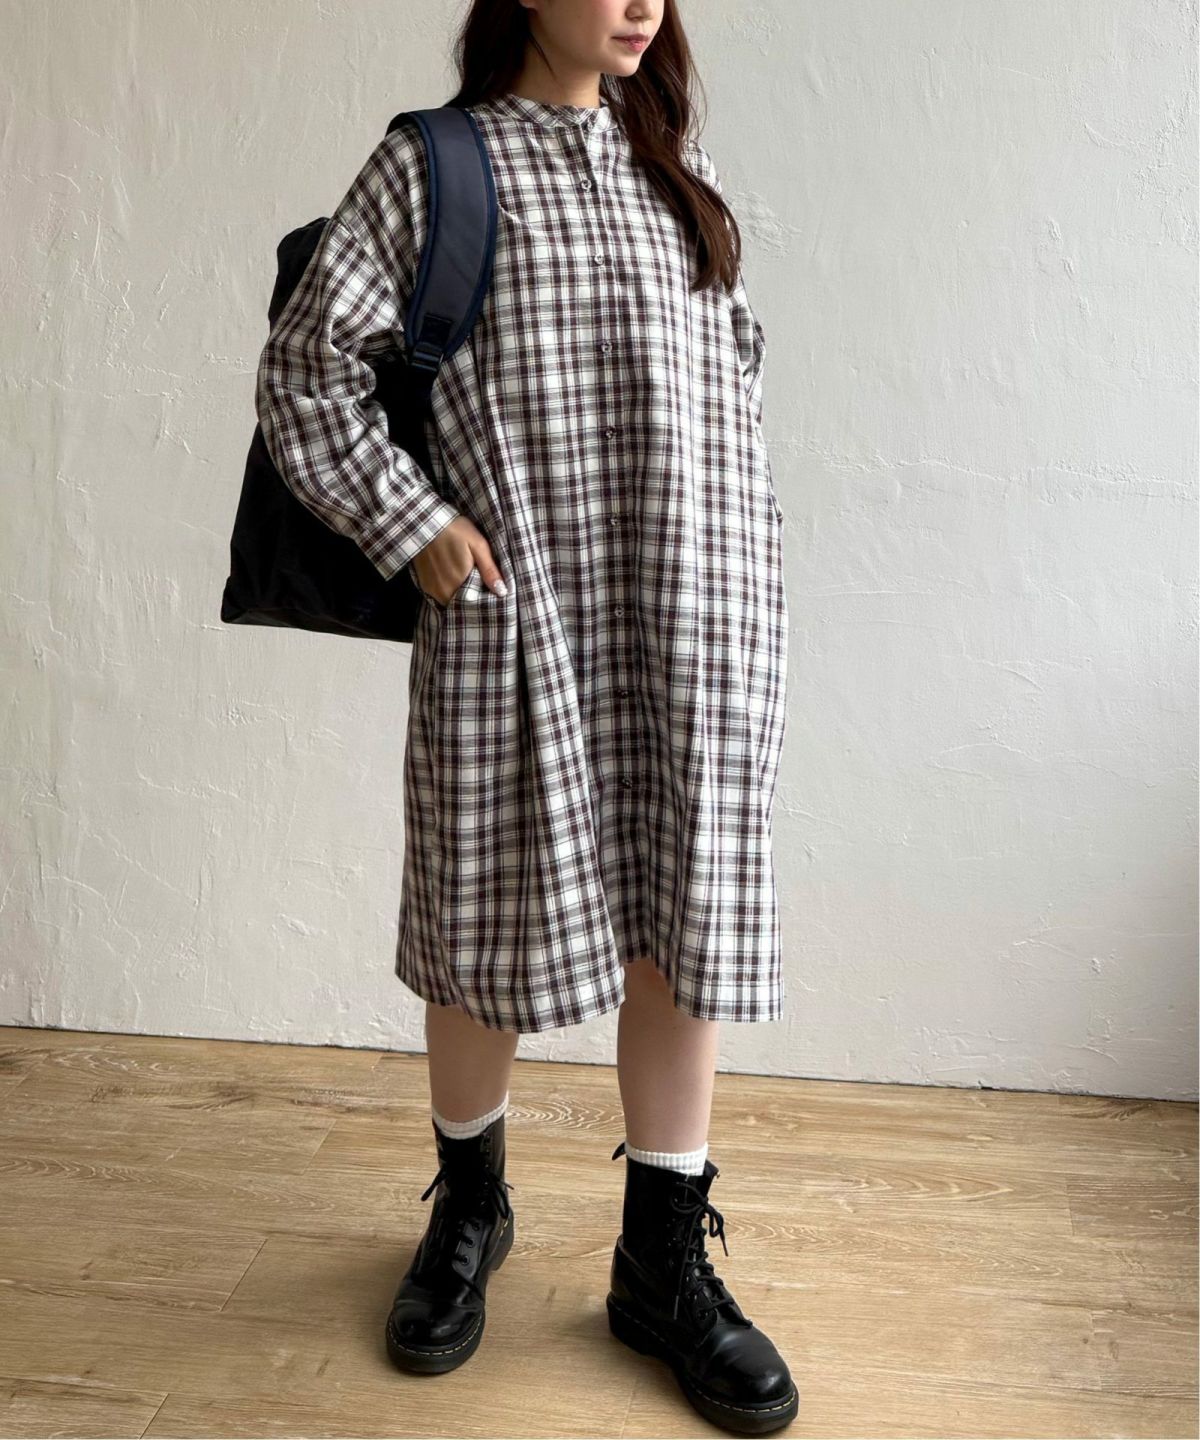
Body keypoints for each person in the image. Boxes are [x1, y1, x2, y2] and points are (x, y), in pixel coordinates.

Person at [255, 0, 794, 1431]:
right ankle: (470, 1204)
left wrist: (742, 561)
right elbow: (308, 373)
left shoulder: (676, 161)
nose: (640, 3)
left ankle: (661, 1258)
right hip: (522, 616)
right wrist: (414, 524)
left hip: (699, 616)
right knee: (479, 917)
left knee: (682, 916)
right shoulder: (434, 166)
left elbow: (733, 371)